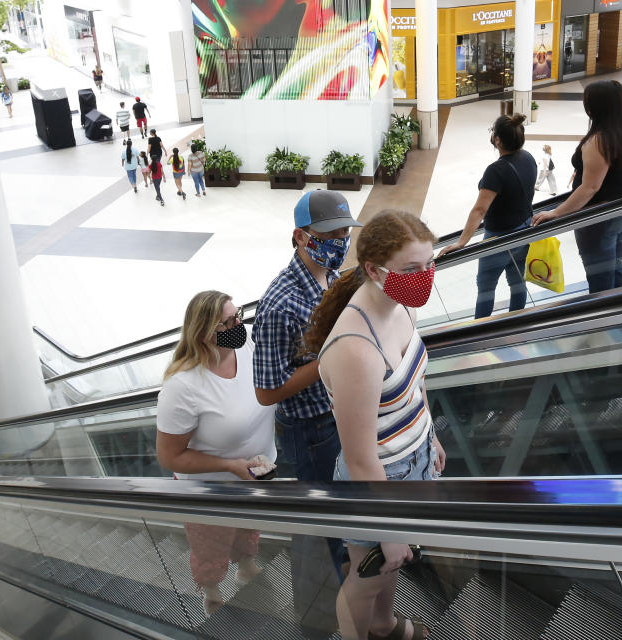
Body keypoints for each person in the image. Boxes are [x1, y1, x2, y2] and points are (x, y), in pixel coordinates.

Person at [303, 211, 445, 640]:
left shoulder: (400, 305)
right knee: (367, 581)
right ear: (373, 270)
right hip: (379, 480)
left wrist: (430, 437)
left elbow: (415, 385)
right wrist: (391, 530)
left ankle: (384, 626)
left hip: (412, 461)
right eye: (411, 268)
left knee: (388, 571)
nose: (425, 277)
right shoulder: (355, 350)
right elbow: (362, 457)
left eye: (430, 264)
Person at [252, 190, 360, 576]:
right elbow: (266, 392)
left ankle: (347, 577)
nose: (339, 243)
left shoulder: (332, 277)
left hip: (336, 415)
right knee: (318, 526)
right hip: (307, 431)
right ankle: (320, 609)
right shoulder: (279, 305)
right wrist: (331, 355)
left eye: (344, 233)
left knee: (341, 508)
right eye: (330, 235)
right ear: (300, 236)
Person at [156, 290, 276, 615]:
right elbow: (169, 456)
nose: (239, 324)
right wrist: (230, 465)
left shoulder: (246, 347)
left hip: (253, 475)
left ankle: (247, 566)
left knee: (249, 526)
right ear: (204, 333)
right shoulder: (183, 387)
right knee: (211, 544)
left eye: (238, 315)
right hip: (209, 489)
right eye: (228, 322)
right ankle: (211, 591)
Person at [532, 80, 622, 294]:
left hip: (600, 217)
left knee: (599, 275)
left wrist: (556, 212)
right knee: (615, 263)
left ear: (596, 107)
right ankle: (620, 306)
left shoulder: (600, 141)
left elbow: (590, 187)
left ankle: (601, 319)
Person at [438, 114, 536, 319]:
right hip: (524, 230)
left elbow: (480, 210)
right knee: (518, 281)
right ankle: (517, 321)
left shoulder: (496, 170)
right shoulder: (528, 158)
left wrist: (462, 242)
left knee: (486, 287)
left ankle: (480, 329)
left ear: (498, 140)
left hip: (498, 238)